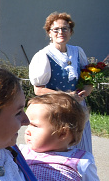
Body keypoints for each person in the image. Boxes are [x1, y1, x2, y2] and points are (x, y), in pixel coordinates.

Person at [29, 12, 94, 154]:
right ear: (49, 33)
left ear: (71, 32)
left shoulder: (77, 51)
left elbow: (87, 77)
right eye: (56, 29)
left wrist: (88, 88)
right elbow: (38, 90)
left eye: (65, 29)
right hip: (56, 110)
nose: (61, 32)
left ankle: (83, 176)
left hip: (78, 108)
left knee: (82, 148)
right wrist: (66, 95)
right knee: (61, 148)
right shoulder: (44, 55)